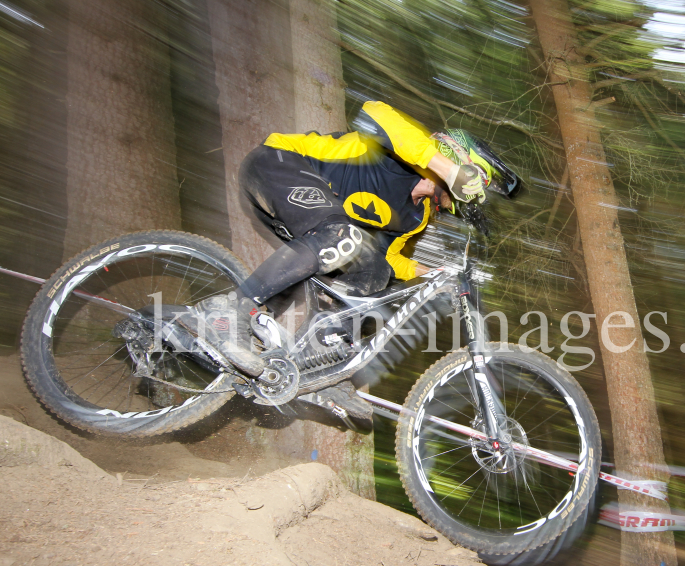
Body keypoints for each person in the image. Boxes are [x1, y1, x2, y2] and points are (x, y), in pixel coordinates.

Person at [177, 101, 517, 426]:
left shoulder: (417, 216)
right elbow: (374, 112)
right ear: (457, 158)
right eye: (474, 181)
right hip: (278, 166)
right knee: (342, 236)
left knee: (374, 272)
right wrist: (446, 169)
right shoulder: (404, 151)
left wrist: (431, 275)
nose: (471, 194)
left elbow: (388, 259)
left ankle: (319, 366)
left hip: (314, 222)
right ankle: (228, 310)